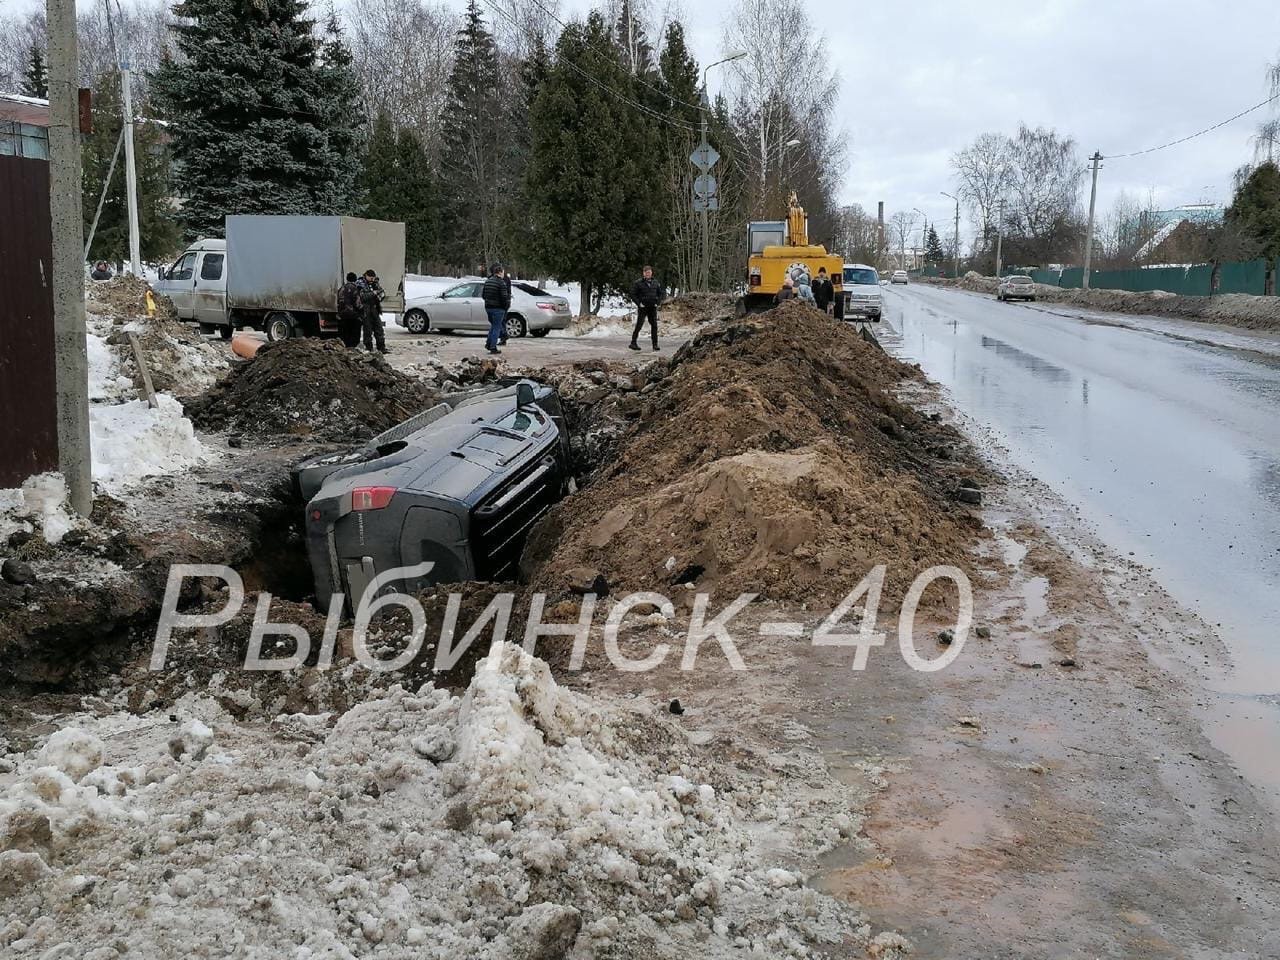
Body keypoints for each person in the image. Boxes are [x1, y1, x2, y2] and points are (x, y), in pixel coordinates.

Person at [630, 266, 662, 352]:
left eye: (649, 272)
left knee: (654, 326)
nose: (648, 274)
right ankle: (633, 343)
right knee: (639, 325)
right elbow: (633, 294)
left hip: (652, 307)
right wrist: (639, 303)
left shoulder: (655, 282)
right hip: (643, 307)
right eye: (646, 272)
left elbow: (660, 293)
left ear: (651, 273)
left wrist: (657, 303)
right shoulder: (638, 283)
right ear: (643, 273)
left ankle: (655, 345)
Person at [482, 263, 511, 355]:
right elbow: (504, 297)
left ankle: (488, 343)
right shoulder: (501, 283)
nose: (504, 274)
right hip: (498, 308)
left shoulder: (488, 281)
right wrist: (505, 306)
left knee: (494, 326)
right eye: (503, 272)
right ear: (500, 272)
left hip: (488, 307)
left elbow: (483, 295)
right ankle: (493, 347)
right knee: (497, 327)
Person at [357, 269, 388, 354]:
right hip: (365, 309)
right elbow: (361, 297)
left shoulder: (375, 283)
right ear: (366, 276)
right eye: (370, 278)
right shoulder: (360, 284)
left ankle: (381, 347)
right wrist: (373, 293)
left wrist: (379, 295)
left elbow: (382, 292)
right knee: (368, 330)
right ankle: (368, 347)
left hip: (374, 309)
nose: (372, 279)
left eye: (373, 278)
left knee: (379, 329)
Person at [337, 272, 362, 348]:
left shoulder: (341, 289)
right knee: (354, 335)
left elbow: (338, 301)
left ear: (347, 279)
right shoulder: (356, 289)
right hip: (353, 316)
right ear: (355, 279)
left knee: (344, 335)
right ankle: (352, 349)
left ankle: (345, 349)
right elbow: (358, 304)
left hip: (343, 315)